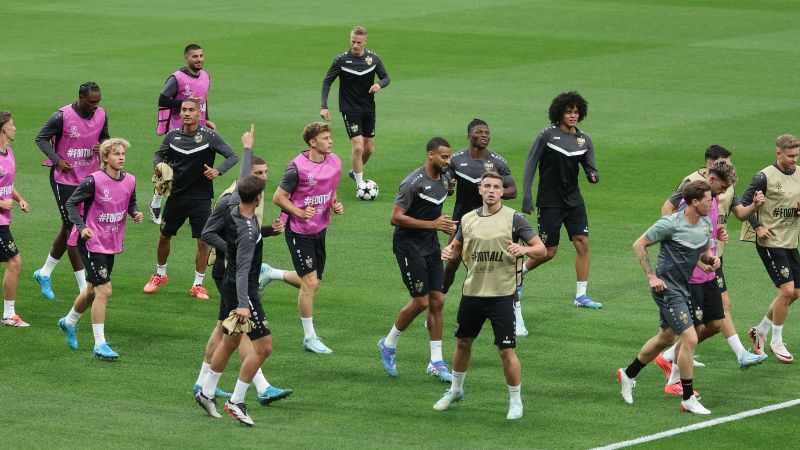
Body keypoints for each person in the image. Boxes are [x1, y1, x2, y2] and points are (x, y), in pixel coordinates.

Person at [433, 172, 545, 420]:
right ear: (480, 190)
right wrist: (449, 252)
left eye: (497, 186)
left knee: (506, 351)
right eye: (487, 186)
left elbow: (542, 249)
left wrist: (523, 248)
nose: (492, 190)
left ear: (502, 192)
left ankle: (516, 401)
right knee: (462, 343)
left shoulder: (514, 219)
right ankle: (456, 390)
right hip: (472, 293)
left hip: (502, 295)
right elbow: (456, 248)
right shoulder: (467, 219)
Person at [193, 125, 292, 405]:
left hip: (236, 269)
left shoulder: (247, 197)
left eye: (264, 174)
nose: (262, 179)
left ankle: (203, 385)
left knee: (225, 330)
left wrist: (268, 231)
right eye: (257, 174)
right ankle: (256, 389)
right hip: (229, 270)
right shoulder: (229, 200)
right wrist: (232, 250)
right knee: (240, 330)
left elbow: (248, 231)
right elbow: (208, 234)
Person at [657, 150, 767, 373]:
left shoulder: (715, 197)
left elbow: (725, 218)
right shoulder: (693, 187)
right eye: (723, 186)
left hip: (712, 262)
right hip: (692, 269)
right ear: (711, 168)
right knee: (690, 328)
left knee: (716, 320)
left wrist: (717, 231)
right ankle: (673, 373)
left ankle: (670, 356)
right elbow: (673, 215)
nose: (725, 191)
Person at [618, 180, 718, 415]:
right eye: (708, 199)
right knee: (690, 338)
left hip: (684, 288)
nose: (711, 203)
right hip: (666, 289)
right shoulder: (671, 223)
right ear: (695, 202)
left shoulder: (704, 224)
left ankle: (628, 374)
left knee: (665, 337)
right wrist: (651, 276)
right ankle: (687, 398)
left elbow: (703, 253)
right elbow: (639, 244)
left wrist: (711, 260)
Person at [377, 137, 456, 381]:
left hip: (429, 244)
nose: (447, 161)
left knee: (438, 300)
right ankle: (388, 344)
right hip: (409, 246)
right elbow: (396, 217)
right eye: (443, 157)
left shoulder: (445, 175)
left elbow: (444, 191)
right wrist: (433, 224)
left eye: (449, 157)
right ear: (431, 155)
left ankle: (436, 361)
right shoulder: (412, 183)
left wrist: (449, 190)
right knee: (421, 302)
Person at [195, 175, 272, 426]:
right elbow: (243, 271)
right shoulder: (249, 231)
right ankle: (236, 401)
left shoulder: (232, 207)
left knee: (230, 340)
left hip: (228, 282)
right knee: (263, 347)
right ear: (258, 198)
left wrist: (247, 151)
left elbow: (245, 180)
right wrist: (242, 304)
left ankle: (206, 392)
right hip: (243, 290)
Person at [143, 98, 237, 300]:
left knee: (203, 241)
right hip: (176, 196)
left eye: (190, 110)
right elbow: (158, 156)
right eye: (183, 110)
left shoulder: (210, 136)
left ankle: (198, 285)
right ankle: (160, 274)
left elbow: (232, 156)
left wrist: (218, 171)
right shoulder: (172, 137)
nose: (186, 113)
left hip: (201, 198)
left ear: (199, 113)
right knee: (164, 236)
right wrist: (159, 167)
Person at [57, 138, 143, 359]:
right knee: (104, 290)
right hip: (90, 241)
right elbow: (70, 204)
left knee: (93, 290)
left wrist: (134, 212)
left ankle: (69, 322)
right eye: (116, 154)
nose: (121, 157)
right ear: (106, 157)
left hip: (110, 242)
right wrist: (82, 227)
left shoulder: (131, 180)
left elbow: (130, 201)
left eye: (123, 153)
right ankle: (99, 344)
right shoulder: (93, 181)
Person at [520, 91, 601, 309]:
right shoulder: (546, 135)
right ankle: (520, 273)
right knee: (548, 251)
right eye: (568, 112)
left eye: (576, 112)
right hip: (549, 200)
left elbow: (590, 168)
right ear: (559, 113)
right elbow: (530, 164)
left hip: (573, 200)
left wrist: (593, 175)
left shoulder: (584, 140)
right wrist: (527, 196)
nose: (573, 116)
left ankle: (581, 296)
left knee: (582, 243)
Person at [441, 119, 521, 331]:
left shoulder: (497, 162)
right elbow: (445, 186)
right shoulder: (456, 160)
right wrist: (449, 188)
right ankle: (436, 306)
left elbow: (513, 189)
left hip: (494, 225)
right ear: (469, 136)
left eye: (487, 132)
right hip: (463, 222)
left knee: (505, 268)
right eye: (479, 132)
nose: (485, 135)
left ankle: (517, 317)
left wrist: (492, 191)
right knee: (451, 266)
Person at [33, 81, 109, 301]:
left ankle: (44, 272)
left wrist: (102, 146)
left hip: (89, 179)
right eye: (92, 102)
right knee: (75, 229)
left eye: (98, 102)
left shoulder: (102, 114)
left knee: (69, 228)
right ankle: (83, 287)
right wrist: (57, 161)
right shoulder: (62, 116)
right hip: (64, 179)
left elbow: (105, 137)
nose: (96, 106)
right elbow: (41, 138)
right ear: (81, 98)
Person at [273, 122, 343, 354]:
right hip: (298, 230)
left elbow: (330, 188)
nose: (330, 141)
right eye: (325, 138)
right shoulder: (297, 169)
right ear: (313, 143)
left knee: (313, 283)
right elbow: (279, 197)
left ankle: (270, 273)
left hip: (319, 228)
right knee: (310, 283)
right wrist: (300, 212)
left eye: (329, 137)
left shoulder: (334, 162)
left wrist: (334, 203)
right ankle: (309, 337)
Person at [743, 134, 800, 364]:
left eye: (797, 155)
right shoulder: (764, 177)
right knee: (786, 291)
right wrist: (757, 226)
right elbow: (742, 204)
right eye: (790, 156)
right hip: (770, 243)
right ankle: (777, 341)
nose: (794, 159)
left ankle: (761, 331)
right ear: (778, 154)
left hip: (790, 241)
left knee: (796, 292)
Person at [151, 44, 216, 224]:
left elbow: (203, 102)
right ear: (186, 59)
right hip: (178, 131)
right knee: (172, 171)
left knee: (200, 167)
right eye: (195, 56)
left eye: (201, 56)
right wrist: (186, 103)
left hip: (199, 130)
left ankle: (202, 206)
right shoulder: (177, 78)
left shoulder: (206, 76)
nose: (199, 60)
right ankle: (156, 202)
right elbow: (163, 99)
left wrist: (207, 119)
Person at [320, 26, 390, 189]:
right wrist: (324, 106)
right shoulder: (341, 60)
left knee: (369, 149)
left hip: (368, 108)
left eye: (359, 42)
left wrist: (379, 85)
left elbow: (386, 78)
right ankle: (360, 185)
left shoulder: (373, 59)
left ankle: (355, 171)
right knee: (358, 146)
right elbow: (327, 81)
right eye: (353, 41)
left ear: (365, 42)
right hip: (349, 108)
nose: (355, 45)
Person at [0, 112, 31, 327]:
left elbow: (7, 184)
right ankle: (9, 315)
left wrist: (19, 199)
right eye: (12, 124)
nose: (15, 128)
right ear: (3, 129)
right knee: (14, 261)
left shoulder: (8, 152)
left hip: (4, 218)